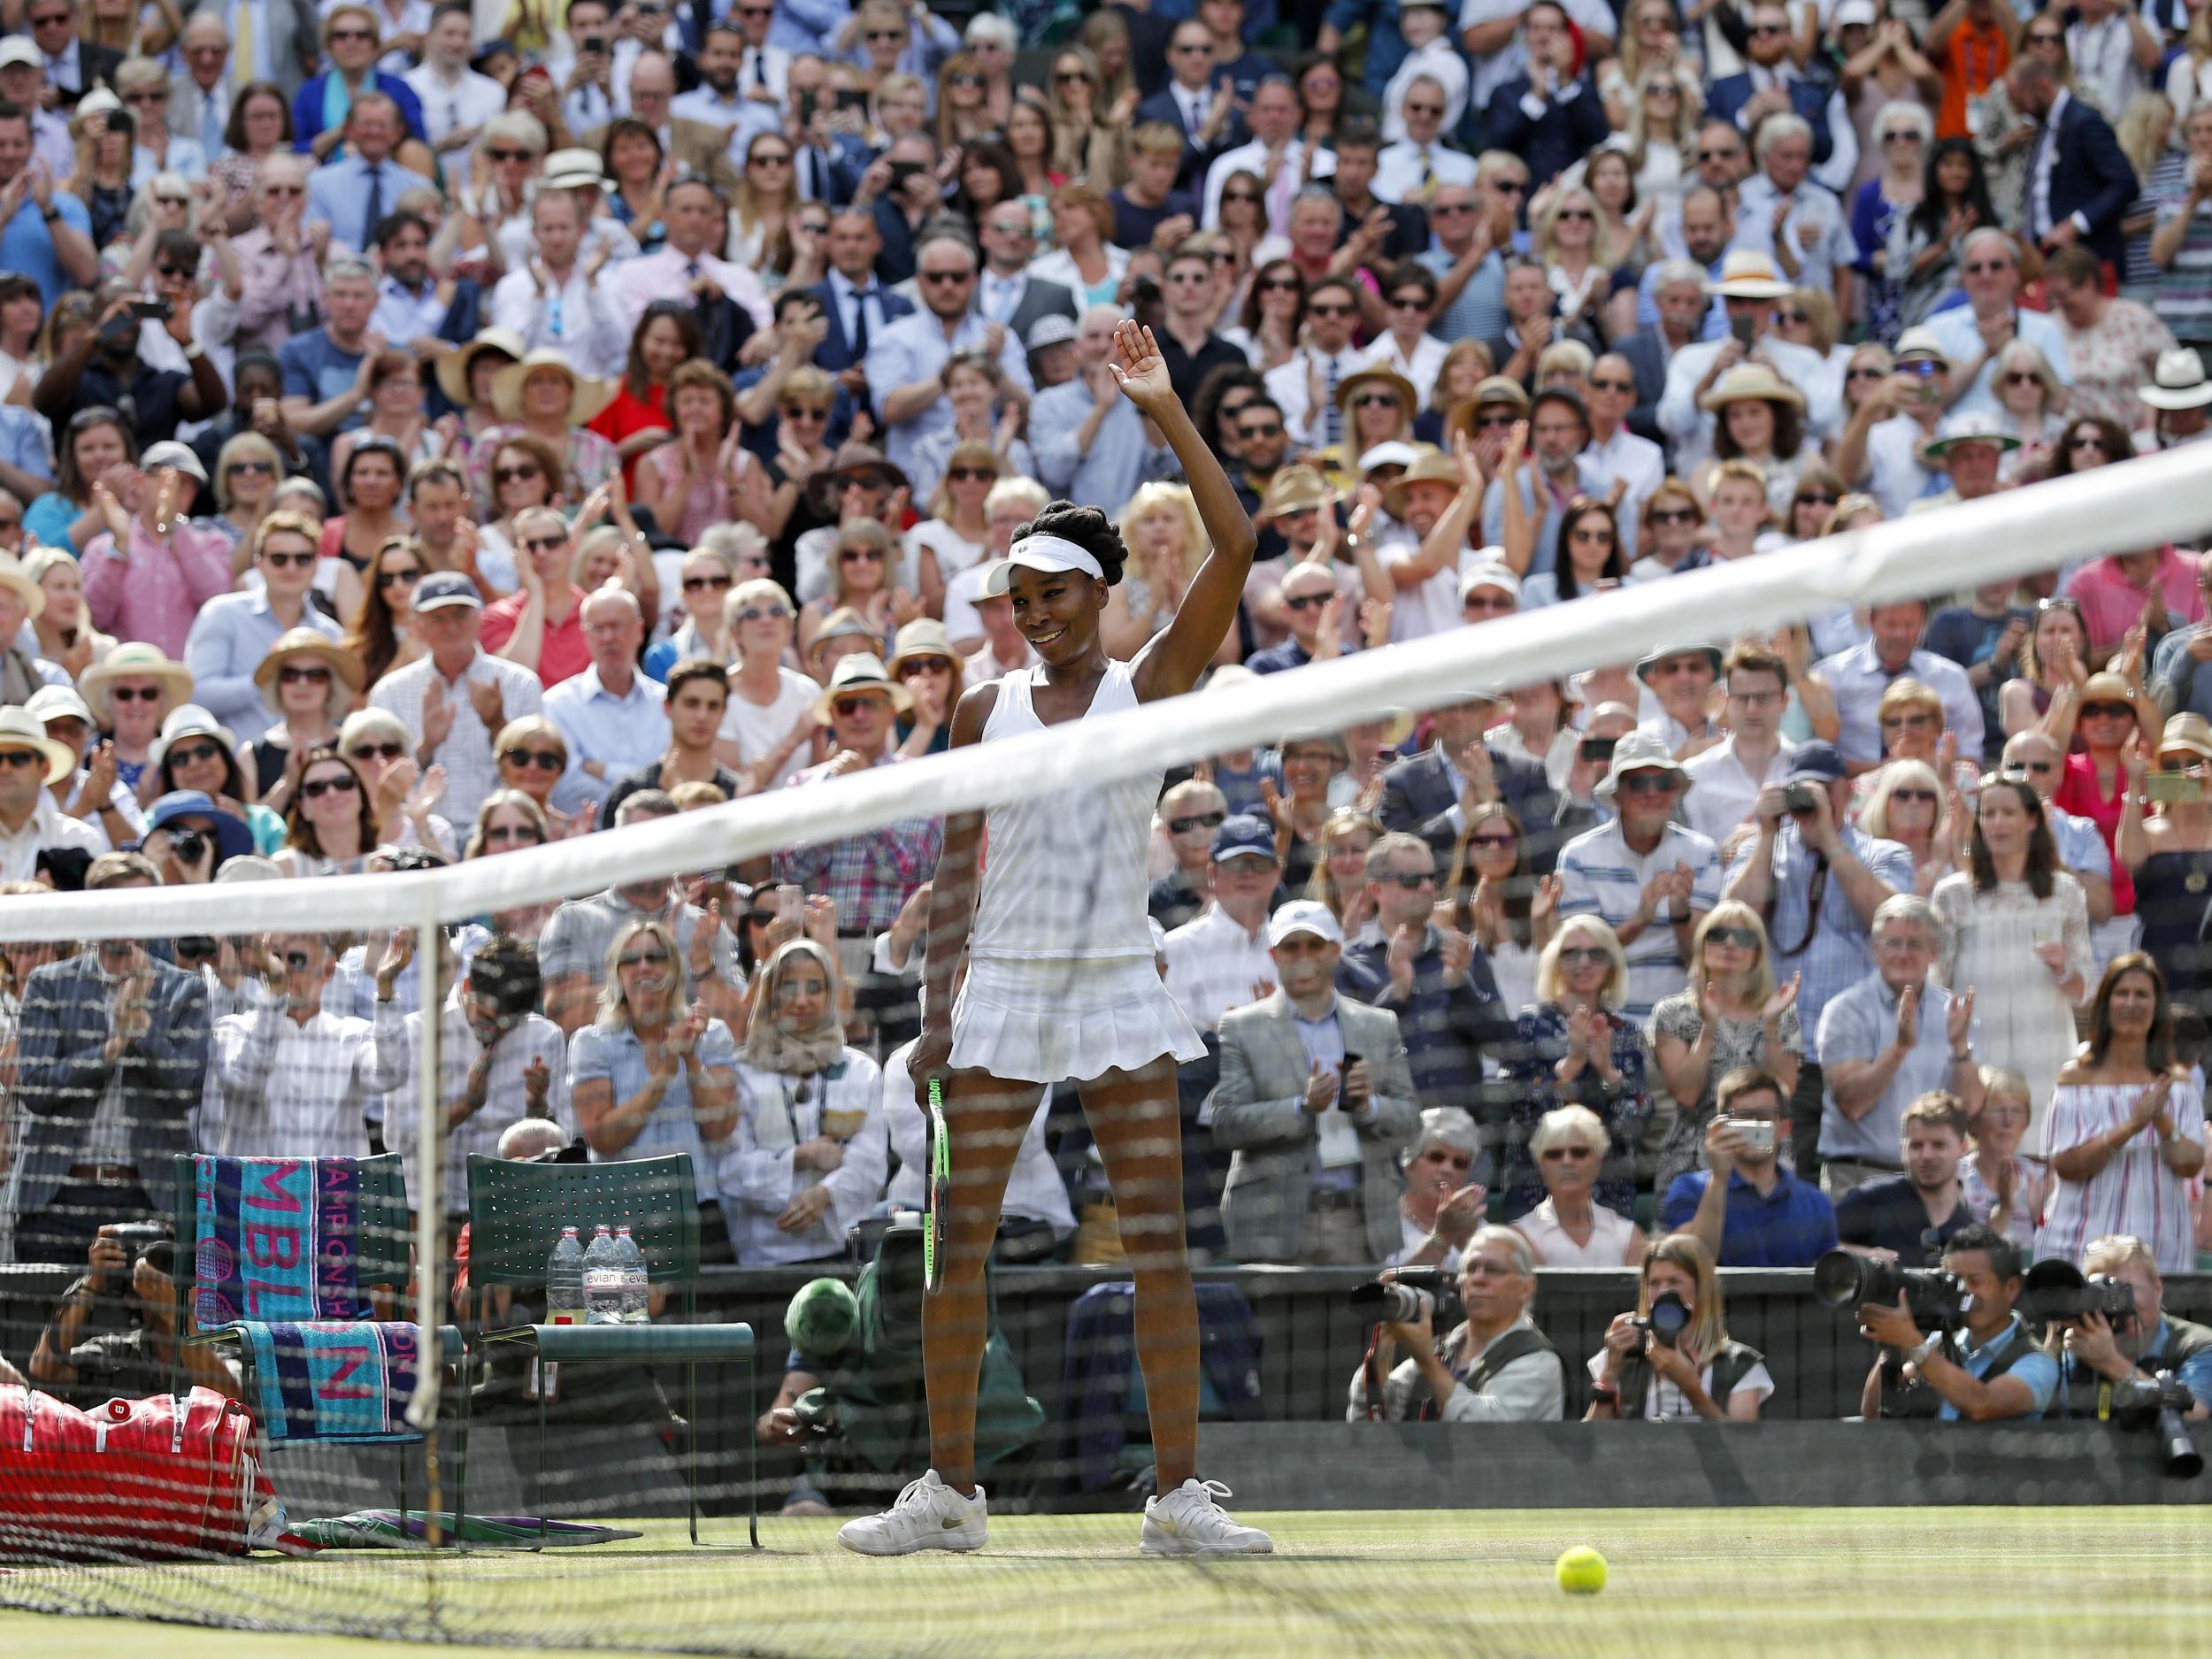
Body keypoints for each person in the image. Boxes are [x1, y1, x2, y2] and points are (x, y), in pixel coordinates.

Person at [836, 321, 1273, 1559]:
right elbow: (957, 867)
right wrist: (932, 1018)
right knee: (951, 1246)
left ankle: (1179, 1495)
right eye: (1019, 599)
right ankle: (951, 1493)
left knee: (1158, 1243)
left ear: (1101, 590)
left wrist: (1165, 408)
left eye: (1053, 593)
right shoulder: (981, 704)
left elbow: (1236, 541)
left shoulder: (1152, 684)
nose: (1034, 615)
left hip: (1114, 986)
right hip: (1003, 995)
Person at [6, 852, 211, 1263]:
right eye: (117, 904)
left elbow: (186, 1089)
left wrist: (143, 1031)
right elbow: (35, 1089)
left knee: (153, 1327)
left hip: (148, 1201)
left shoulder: (185, 989)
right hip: (56, 1199)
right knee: (47, 1325)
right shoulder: (50, 984)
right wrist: (112, 1048)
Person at [570, 916, 742, 1264]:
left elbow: (721, 1128)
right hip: (618, 1219)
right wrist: (665, 1071)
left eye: (656, 957)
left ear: (675, 969)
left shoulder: (712, 1034)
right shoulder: (591, 1043)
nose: (644, 967)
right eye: (631, 960)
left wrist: (691, 1059)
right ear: (617, 974)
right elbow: (603, 1136)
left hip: (697, 1211)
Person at [1932, 772, 2093, 1130]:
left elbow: (2087, 989)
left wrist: (2064, 970)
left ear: (2032, 820)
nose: (1997, 823)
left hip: (2045, 1045)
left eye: (2008, 812)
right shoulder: (1953, 894)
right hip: (1977, 1046)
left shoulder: (2064, 892)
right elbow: (1936, 983)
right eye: (1988, 814)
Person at [719, 939, 887, 1268]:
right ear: (770, 995)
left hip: (842, 1251)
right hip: (764, 1258)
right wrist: (798, 1158)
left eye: (814, 988)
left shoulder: (861, 1070)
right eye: (788, 987)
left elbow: (870, 1160)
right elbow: (731, 1169)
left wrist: (824, 1194)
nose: (801, 1000)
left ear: (830, 995)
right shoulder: (742, 1071)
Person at [2040, 953, 2208, 1274]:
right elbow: (2067, 1165)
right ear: (2106, 1003)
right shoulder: (2075, 1078)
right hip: (2080, 1243)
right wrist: (2132, 1124)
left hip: (2160, 1247)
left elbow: (2190, 1164)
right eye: (2122, 993)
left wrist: (2161, 1119)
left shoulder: (2177, 1082)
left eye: (2142, 994)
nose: (2132, 1003)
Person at [1555, 732, 1720, 1024]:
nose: (1652, 793)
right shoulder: (1579, 855)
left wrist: (1680, 915)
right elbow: (1579, 965)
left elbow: (1704, 963)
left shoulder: (1701, 852)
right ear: (1617, 794)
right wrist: (1640, 920)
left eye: (1663, 783)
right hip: (1604, 1023)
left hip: (1681, 1024)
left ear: (1674, 791)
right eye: (1639, 783)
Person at [1500, 914, 1649, 1223]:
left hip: (1608, 1189)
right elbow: (1519, 1107)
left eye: (1597, 954)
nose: (1584, 962)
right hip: (1536, 1188)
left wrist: (1608, 1072)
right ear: (1555, 961)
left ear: (1612, 965)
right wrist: (1573, 1063)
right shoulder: (1531, 1024)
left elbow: (1636, 1123)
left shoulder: (1625, 1031)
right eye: (1571, 953)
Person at [1648, 902, 1803, 1195]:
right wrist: (1709, 1027)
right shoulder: (1674, 1012)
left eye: (1744, 938)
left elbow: (1784, 1091)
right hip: (1695, 1158)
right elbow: (1687, 1094)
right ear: (1702, 945)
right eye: (1718, 935)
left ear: (1757, 953)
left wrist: (1770, 1025)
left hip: (1765, 1154)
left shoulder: (1780, 1012)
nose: (1730, 943)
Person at [1345, 1225, 1565, 1423]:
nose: (1478, 1279)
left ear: (1526, 1287)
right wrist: (1384, 1345)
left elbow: (1488, 1432)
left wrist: (1426, 1361)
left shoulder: (1538, 1361)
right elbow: (1368, 1419)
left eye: (1493, 1270)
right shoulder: (1445, 1348)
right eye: (1471, 1269)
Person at [1855, 1222, 2060, 1420]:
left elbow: (1983, 1405)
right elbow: (1872, 1411)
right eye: (1954, 1281)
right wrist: (1893, 1340)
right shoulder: (1940, 1342)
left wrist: (1912, 1343)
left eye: (1975, 1281)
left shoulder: (2039, 1364)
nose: (1964, 1292)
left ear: (2011, 1288)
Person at [1662, 1065, 1839, 1267]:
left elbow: (1828, 1283)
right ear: (1722, 1127)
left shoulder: (1816, 1203)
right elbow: (1695, 1265)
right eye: (1743, 1118)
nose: (1754, 1127)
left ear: (1784, 1129)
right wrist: (1718, 1181)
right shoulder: (1690, 1189)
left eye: (1764, 1117)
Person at [1585, 1232, 1772, 1421]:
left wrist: (1690, 1387)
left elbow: (1743, 1447)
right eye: (1654, 1283)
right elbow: (1588, 1447)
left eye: (1675, 1281)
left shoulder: (1739, 1364)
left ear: (1702, 1289)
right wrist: (1609, 1374)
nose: (1663, 1292)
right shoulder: (1624, 1356)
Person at [2047, 1233, 2212, 1419]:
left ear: (2157, 1290)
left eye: (2124, 1290)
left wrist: (2109, 1362)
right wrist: (2052, 1349)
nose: (2116, 1304)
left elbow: (2194, 1413)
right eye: (2105, 1292)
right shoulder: (2077, 1343)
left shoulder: (2197, 1344)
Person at [1834, 1089, 1978, 1265]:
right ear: (1903, 1149)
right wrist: (1867, 1256)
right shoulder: (1875, 1199)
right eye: (1916, 1146)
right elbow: (1818, 1247)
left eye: (1939, 1145)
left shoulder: (1967, 1227)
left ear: (1963, 1147)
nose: (1926, 1155)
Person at [1513, 1104, 1647, 1266]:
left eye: (1579, 1152)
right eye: (1554, 1155)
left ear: (1598, 1162)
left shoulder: (1628, 1237)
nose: (1567, 1162)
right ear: (1541, 1166)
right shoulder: (1520, 1239)